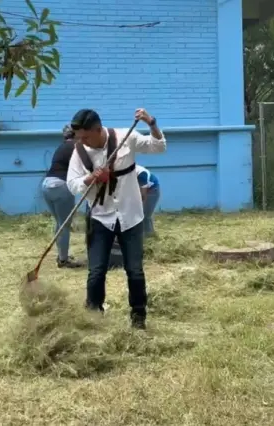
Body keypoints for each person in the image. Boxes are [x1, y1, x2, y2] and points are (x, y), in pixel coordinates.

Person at [66, 107, 166, 329]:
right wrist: (91, 177)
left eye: (85, 136)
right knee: (96, 271)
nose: (81, 141)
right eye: (78, 137)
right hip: (101, 217)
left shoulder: (125, 138)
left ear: (98, 129)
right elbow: (72, 184)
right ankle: (93, 316)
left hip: (131, 216)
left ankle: (138, 318)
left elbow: (158, 146)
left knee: (135, 270)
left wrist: (151, 122)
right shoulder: (79, 152)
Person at [41, 125, 85, 268]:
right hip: (61, 186)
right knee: (65, 225)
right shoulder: (76, 146)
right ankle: (64, 260)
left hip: (47, 185)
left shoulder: (62, 147)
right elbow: (87, 165)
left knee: (60, 223)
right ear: (76, 134)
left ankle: (61, 256)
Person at [136, 164, 160, 237]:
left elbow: (143, 195)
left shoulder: (141, 174)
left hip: (152, 191)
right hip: (141, 189)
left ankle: (148, 234)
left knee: (145, 214)